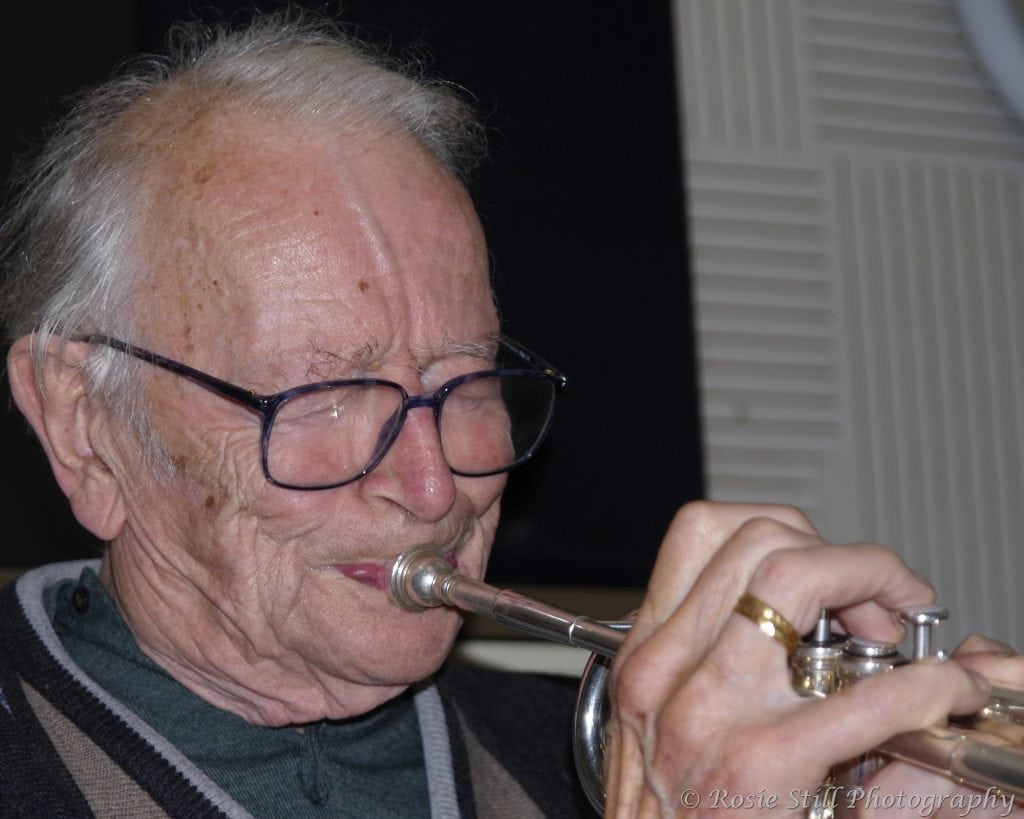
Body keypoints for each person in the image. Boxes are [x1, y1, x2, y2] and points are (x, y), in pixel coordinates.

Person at [0, 9, 1021, 818]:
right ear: (84, 425)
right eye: (328, 396)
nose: (437, 488)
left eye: (465, 383)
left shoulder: (598, 749)